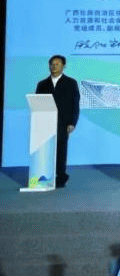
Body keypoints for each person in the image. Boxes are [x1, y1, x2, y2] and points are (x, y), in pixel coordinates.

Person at [34, 54, 80, 188]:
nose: (54, 67)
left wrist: (72, 122)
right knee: (45, 151)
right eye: (52, 64)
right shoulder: (42, 84)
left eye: (57, 64)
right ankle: (44, 176)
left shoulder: (71, 83)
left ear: (64, 66)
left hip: (63, 123)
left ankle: (61, 176)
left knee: (60, 151)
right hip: (45, 122)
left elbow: (75, 104)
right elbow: (37, 103)